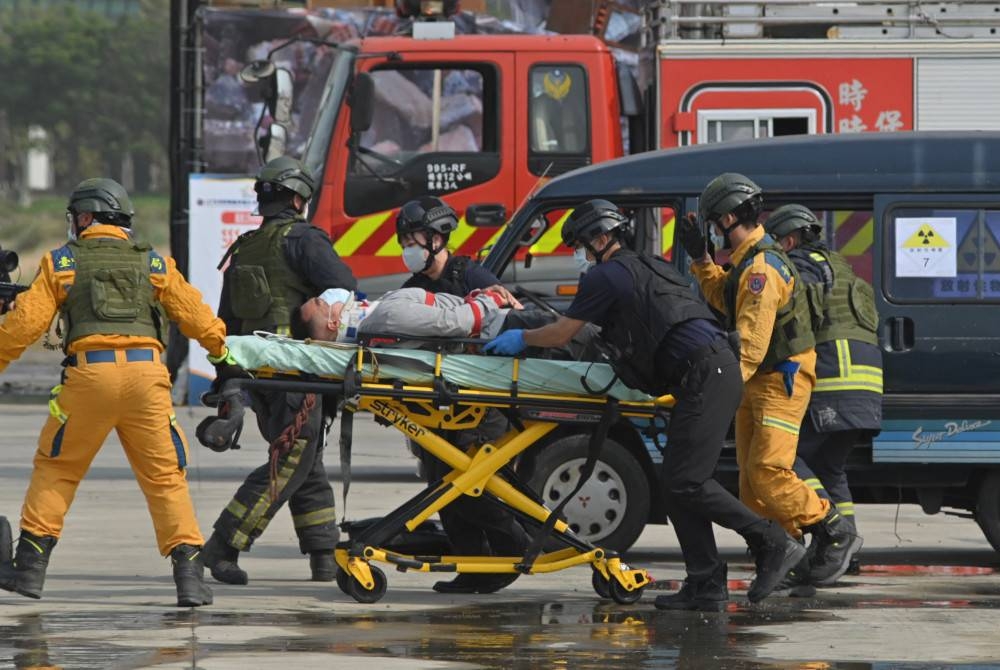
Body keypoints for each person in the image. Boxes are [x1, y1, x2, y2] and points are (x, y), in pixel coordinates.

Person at [484, 199, 807, 609]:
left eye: (584, 245)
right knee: (674, 485)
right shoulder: (645, 264)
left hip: (708, 372)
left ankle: (772, 541)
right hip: (706, 372)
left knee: (688, 481)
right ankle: (706, 582)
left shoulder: (605, 276)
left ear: (602, 238)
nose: (582, 255)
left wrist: (522, 338)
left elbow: (563, 333)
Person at [0, 178, 238, 607]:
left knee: (58, 468)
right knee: (165, 478)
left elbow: (23, 328)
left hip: (90, 379)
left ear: (86, 217)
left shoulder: (61, 263)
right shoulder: (155, 263)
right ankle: (189, 577)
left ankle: (31, 568)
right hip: (149, 380)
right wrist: (223, 355)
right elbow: (197, 315)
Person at [678, 174, 862, 586]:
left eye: (712, 222)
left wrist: (717, 392)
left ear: (727, 217)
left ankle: (833, 529)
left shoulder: (762, 268)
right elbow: (723, 298)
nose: (711, 229)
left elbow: (751, 343)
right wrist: (702, 261)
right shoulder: (747, 260)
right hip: (759, 381)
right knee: (750, 484)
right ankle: (781, 551)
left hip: (780, 380)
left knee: (767, 471)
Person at [203, 156, 356, 586]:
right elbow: (344, 285)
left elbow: (227, 324)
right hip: (298, 373)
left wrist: (226, 383)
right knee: (290, 460)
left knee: (307, 461)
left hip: (261, 376)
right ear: (297, 199)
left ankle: (323, 553)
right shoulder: (306, 240)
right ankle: (224, 544)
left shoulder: (244, 248)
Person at [393, 196, 528, 594]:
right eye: (404, 241)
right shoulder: (413, 288)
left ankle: (513, 548)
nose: (408, 248)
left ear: (437, 237)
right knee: (441, 483)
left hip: (483, 398)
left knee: (475, 482)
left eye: (412, 239)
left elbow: (510, 311)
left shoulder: (471, 275)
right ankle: (472, 567)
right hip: (438, 402)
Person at [764, 204, 880, 586]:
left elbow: (795, 318)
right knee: (830, 467)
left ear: (791, 239)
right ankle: (848, 552)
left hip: (834, 379)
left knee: (784, 458)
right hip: (865, 383)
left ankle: (832, 536)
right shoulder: (840, 267)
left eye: (778, 243)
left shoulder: (802, 264)